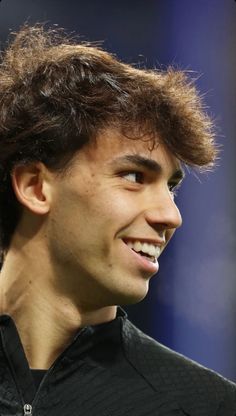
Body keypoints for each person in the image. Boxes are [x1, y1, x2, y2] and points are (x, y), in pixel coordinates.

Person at [0, 24, 235, 416]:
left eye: (171, 186)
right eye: (133, 177)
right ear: (36, 187)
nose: (170, 216)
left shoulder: (208, 406)